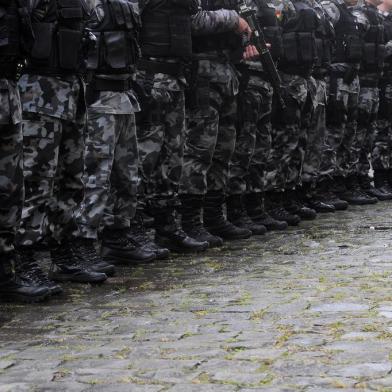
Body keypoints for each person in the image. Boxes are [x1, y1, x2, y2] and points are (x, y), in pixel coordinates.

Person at [16, 0, 108, 290]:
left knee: (71, 179)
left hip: (71, 89)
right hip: (39, 91)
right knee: (36, 181)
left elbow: (97, 14)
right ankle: (23, 256)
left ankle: (62, 248)